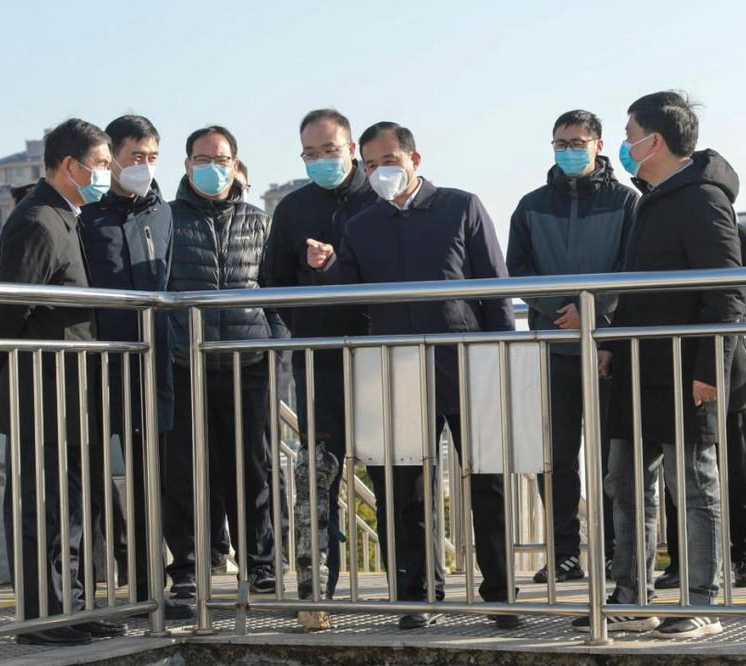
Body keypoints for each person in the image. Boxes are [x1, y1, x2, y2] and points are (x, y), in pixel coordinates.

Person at [305, 121, 521, 630]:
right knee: (405, 490)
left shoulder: (460, 206)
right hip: (397, 371)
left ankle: (500, 594)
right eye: (371, 165)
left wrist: (501, 358)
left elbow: (495, 290)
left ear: (414, 160)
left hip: (466, 364)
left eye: (389, 161)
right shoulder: (362, 225)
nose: (380, 173)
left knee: (487, 483)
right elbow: (350, 291)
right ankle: (417, 594)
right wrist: (327, 265)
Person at [576, 91, 746, 640]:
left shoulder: (703, 199)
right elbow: (636, 288)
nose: (624, 146)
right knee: (624, 482)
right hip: (638, 365)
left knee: (694, 486)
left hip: (684, 368)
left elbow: (727, 293)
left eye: (630, 136)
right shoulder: (651, 199)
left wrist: (710, 368)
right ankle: (631, 597)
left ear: (656, 140)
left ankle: (702, 601)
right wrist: (610, 342)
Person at [0, 118, 125, 646]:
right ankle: (43, 617)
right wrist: (5, 375)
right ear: (71, 165)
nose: (107, 174)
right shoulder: (38, 221)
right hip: (42, 392)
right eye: (102, 164)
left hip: (71, 393)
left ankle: (74, 607)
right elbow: (6, 311)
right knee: (44, 511)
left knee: (74, 510)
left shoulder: (67, 217)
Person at [262, 108, 381, 628]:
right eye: (310, 153)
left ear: (351, 149)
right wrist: (305, 325)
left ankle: (413, 589)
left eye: (329, 150)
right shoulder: (293, 208)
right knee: (318, 480)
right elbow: (273, 284)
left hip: (381, 356)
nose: (321, 160)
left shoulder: (379, 197)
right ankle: (318, 592)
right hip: (318, 359)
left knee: (395, 472)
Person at [506, 109, 636, 584]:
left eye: (577, 143)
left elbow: (633, 267)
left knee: (611, 459)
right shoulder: (531, 205)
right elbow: (517, 268)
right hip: (551, 346)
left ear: (598, 145)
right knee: (555, 458)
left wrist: (593, 311)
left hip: (608, 349)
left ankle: (613, 550)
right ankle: (563, 553)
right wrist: (558, 309)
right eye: (560, 143)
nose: (568, 151)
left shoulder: (627, 202)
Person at [77, 115, 196, 620]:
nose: (143, 167)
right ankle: (86, 594)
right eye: (134, 157)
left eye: (151, 158)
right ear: (112, 159)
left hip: (152, 365)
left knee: (153, 481)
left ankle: (152, 589)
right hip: (97, 364)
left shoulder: (161, 213)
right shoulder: (86, 215)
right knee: (89, 481)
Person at [162, 125, 285, 595]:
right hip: (184, 363)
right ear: (187, 164)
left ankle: (261, 564)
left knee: (253, 470)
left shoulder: (259, 222)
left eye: (221, 160)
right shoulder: (166, 219)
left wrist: (275, 348)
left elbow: (274, 291)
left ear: (235, 164)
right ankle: (188, 569)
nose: (212, 168)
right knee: (183, 472)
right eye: (202, 159)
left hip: (247, 361)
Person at [656, 224, 746, 590]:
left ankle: (745, 556)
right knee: (680, 469)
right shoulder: (671, 236)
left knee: (739, 469)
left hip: (732, 370)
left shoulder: (742, 237)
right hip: (682, 368)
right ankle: (682, 559)